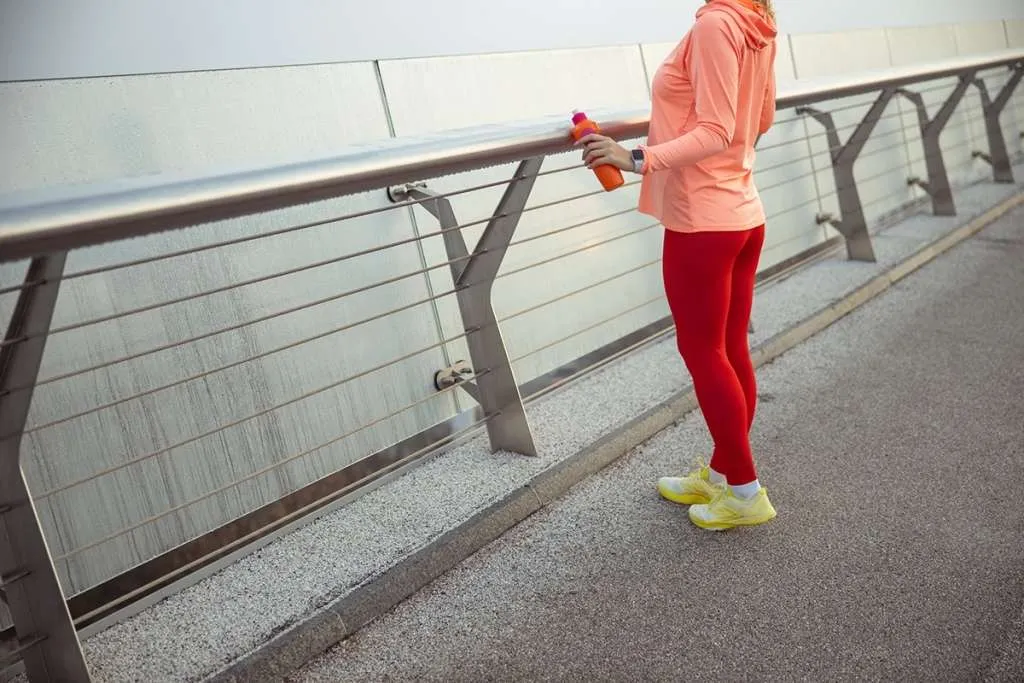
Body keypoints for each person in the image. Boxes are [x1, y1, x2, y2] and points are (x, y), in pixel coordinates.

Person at [580, 0, 778, 530]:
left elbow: (716, 129)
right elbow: (760, 119)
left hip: (704, 223)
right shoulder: (758, 21)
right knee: (729, 348)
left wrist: (636, 157)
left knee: (704, 350)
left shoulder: (716, 24)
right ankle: (722, 473)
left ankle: (744, 492)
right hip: (742, 213)